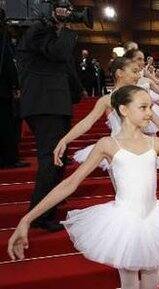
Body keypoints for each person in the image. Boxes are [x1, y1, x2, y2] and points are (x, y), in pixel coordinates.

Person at [8, 85, 159, 289]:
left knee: (153, 280)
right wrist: (27, 219)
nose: (150, 113)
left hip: (154, 217)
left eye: (150, 107)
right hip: (123, 222)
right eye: (144, 107)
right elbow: (70, 183)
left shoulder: (157, 144)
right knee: (129, 282)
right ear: (124, 110)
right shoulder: (107, 145)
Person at [16, 7, 83, 232]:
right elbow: (59, 53)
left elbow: (65, 67)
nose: (67, 15)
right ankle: (40, 215)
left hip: (55, 105)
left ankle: (50, 204)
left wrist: (76, 93)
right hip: (45, 106)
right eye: (61, 10)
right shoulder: (37, 32)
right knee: (51, 160)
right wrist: (65, 29)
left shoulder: (51, 38)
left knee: (58, 158)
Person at [53, 57, 159, 171]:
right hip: (117, 150)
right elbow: (87, 122)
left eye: (138, 72)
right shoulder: (107, 100)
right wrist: (65, 140)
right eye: (134, 71)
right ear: (119, 73)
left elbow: (154, 117)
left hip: (140, 148)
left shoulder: (139, 96)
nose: (138, 76)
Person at [0, 9, 28, 169]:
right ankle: (9, 158)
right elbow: (8, 63)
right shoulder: (4, 37)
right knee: (7, 126)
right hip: (3, 91)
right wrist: (16, 85)